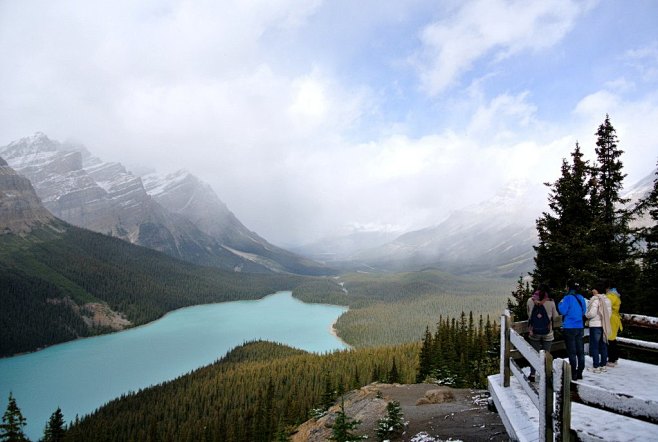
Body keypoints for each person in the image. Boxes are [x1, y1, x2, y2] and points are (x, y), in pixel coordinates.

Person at [526, 284, 559, 382]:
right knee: (546, 355)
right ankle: (547, 375)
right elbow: (555, 316)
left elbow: (529, 314)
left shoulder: (530, 301)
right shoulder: (550, 302)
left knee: (534, 353)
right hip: (547, 332)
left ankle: (532, 374)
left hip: (534, 331)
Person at [558, 281, 587, 380]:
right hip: (579, 326)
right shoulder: (581, 298)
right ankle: (580, 372)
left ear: (569, 288)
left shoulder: (567, 298)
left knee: (572, 352)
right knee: (580, 351)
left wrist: (560, 303)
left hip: (569, 327)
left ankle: (573, 373)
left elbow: (563, 311)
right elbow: (584, 311)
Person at [586, 287, 612, 373]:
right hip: (604, 325)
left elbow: (592, 313)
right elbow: (609, 314)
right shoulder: (607, 300)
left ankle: (596, 366)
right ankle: (603, 365)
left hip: (595, 325)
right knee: (603, 345)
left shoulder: (595, 300)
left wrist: (586, 315)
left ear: (597, 291)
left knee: (595, 346)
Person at [606, 282, 623, 367]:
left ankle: (612, 359)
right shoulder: (615, 295)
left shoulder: (611, 296)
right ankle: (614, 357)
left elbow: (606, 305)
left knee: (610, 339)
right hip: (614, 319)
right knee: (612, 339)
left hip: (611, 319)